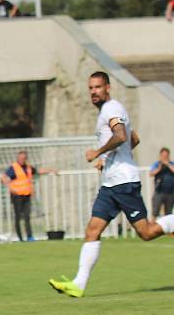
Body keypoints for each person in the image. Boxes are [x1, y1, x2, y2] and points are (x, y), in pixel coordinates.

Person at [49, 72, 174, 298]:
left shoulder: (111, 109)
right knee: (92, 230)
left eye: (98, 87)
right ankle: (78, 284)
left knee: (145, 232)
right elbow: (133, 138)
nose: (93, 92)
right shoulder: (111, 110)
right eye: (90, 88)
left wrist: (97, 152)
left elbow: (120, 136)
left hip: (124, 183)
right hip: (111, 184)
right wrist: (106, 161)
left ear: (108, 87)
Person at [0, 150, 56, 241]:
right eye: (21, 158)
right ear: (18, 158)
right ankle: (20, 237)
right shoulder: (14, 167)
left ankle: (29, 236)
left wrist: (51, 170)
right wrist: (10, 187)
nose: (22, 160)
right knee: (18, 216)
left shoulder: (28, 167)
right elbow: (3, 177)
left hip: (27, 195)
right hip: (17, 195)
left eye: (24, 158)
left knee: (27, 216)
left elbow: (38, 171)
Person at [149, 147, 174, 219]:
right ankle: (152, 229)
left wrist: (168, 164)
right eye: (163, 156)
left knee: (168, 214)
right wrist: (160, 168)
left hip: (170, 193)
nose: (164, 158)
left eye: (166, 156)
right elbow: (151, 173)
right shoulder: (157, 164)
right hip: (159, 192)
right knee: (155, 213)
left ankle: (168, 229)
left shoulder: (171, 164)